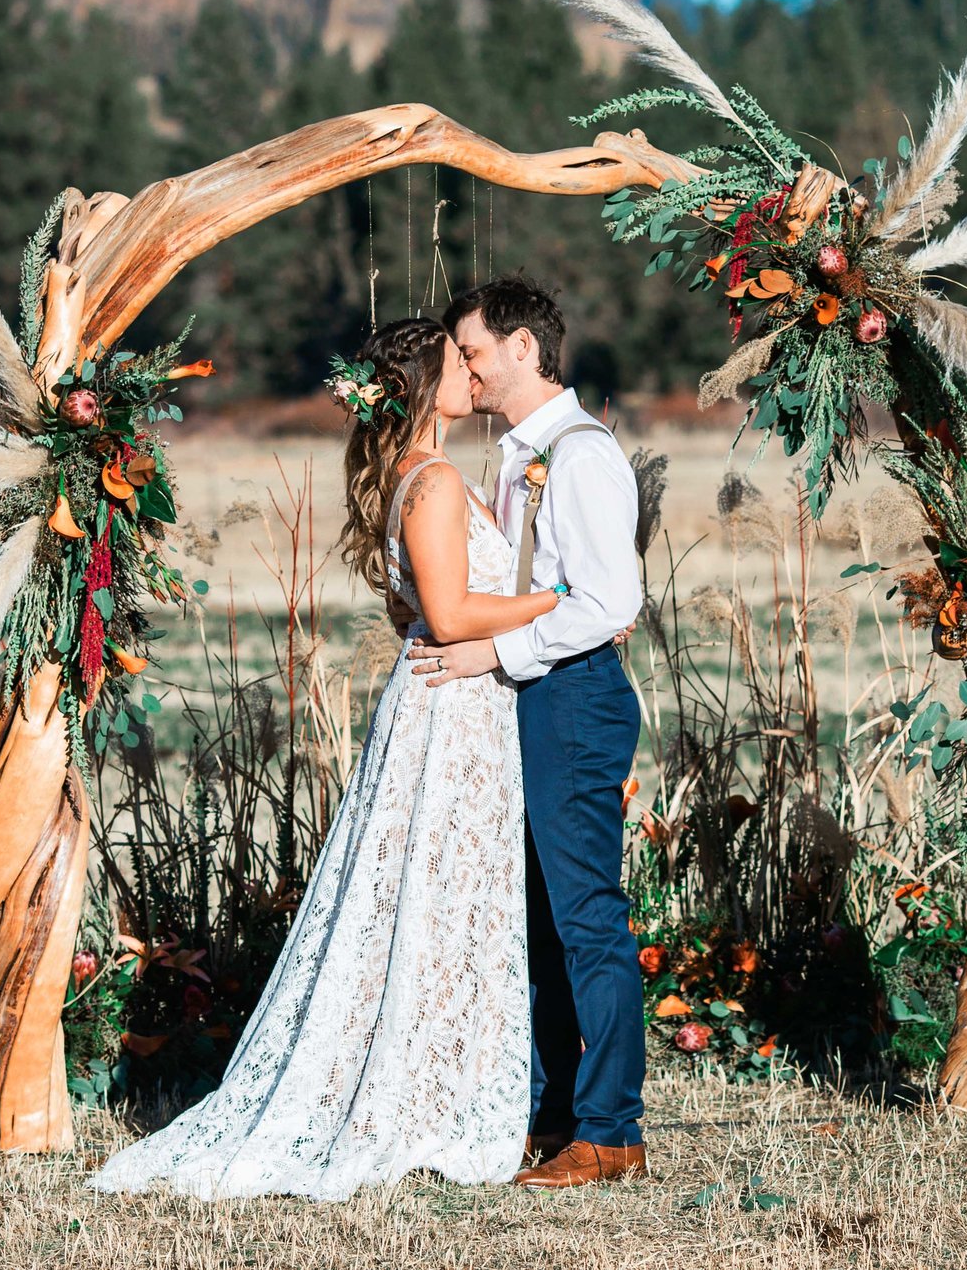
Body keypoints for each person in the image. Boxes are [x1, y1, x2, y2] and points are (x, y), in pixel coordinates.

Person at [89, 317, 555, 1201]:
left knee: (437, 898)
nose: (470, 368)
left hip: (450, 702)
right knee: (439, 892)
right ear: (421, 384)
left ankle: (432, 1086)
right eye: (456, 359)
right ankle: (418, 1099)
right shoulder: (438, 482)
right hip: (451, 710)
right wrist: (557, 600)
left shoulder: (417, 479)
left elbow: (415, 613)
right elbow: (451, 616)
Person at [411, 275, 649, 1189]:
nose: (466, 370)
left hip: (574, 698)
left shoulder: (580, 456)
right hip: (535, 692)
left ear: (522, 347)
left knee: (587, 916)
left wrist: (498, 655)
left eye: (473, 350)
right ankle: (551, 1117)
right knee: (540, 921)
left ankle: (611, 1128)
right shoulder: (519, 454)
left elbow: (610, 601)